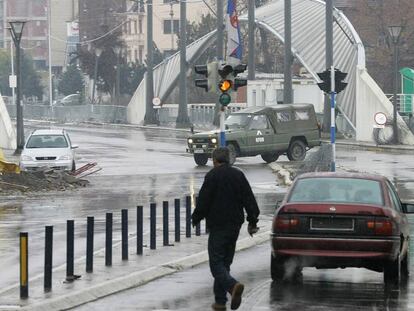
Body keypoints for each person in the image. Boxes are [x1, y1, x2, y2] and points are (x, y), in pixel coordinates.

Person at [192, 147, 260, 311]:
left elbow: (204, 201)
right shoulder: (238, 175)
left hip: (218, 226)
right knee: (225, 264)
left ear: (215, 160)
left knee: (216, 263)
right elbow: (249, 200)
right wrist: (252, 221)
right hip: (235, 226)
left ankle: (232, 286)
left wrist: (196, 218)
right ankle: (220, 302)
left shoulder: (212, 176)